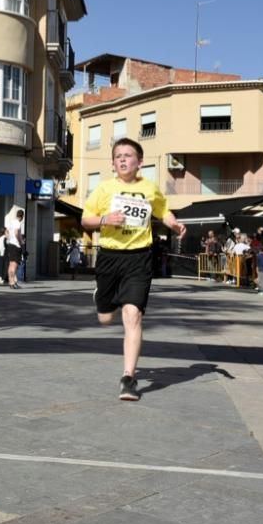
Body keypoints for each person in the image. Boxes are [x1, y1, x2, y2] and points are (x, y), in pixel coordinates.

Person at [81, 137, 186, 402]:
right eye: (118, 156)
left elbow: (164, 211)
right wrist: (105, 219)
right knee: (106, 319)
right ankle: (102, 299)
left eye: (128, 155)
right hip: (109, 256)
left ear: (139, 162)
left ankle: (128, 378)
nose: (123, 159)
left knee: (133, 315)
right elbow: (85, 219)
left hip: (139, 258)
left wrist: (175, 224)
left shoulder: (150, 189)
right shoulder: (104, 189)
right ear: (113, 163)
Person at [4, 206, 25, 289]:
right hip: (16, 245)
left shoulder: (12, 222)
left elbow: (6, 231)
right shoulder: (18, 223)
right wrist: (21, 243)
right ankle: (13, 283)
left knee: (10, 264)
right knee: (14, 265)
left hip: (10, 245)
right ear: (22, 216)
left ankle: (11, 281)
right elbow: (17, 233)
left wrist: (9, 239)